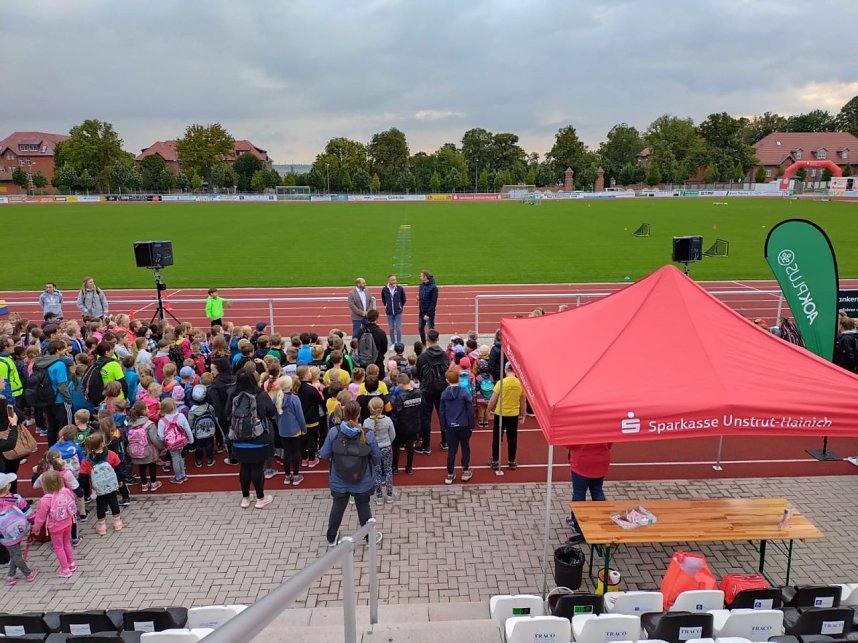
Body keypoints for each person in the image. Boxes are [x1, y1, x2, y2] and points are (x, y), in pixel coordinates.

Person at [319, 400, 382, 547]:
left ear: (344, 413)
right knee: (363, 507)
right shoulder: (367, 434)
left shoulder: (334, 432)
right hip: (363, 480)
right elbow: (377, 457)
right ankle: (369, 538)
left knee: (337, 507)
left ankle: (331, 537)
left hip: (338, 479)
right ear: (359, 414)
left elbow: (323, 454)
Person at [226, 368, 276, 508]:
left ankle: (245, 498)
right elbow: (272, 412)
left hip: (238, 438)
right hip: (258, 436)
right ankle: (261, 498)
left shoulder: (232, 394)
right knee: (257, 468)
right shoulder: (261, 395)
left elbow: (226, 413)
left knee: (244, 468)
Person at [31, 469, 77, 578]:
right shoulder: (66, 491)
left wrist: (36, 529)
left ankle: (65, 569)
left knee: (58, 547)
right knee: (66, 543)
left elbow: (40, 518)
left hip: (55, 527)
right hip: (68, 522)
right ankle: (72, 564)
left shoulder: (45, 500)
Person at [566, 442, 612, 542]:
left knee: (579, 493)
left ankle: (577, 525)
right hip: (601, 460)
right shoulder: (604, 426)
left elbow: (568, 444)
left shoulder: (579, 426)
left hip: (582, 462)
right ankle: (601, 521)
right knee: (597, 491)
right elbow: (609, 443)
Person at [78, 432, 123, 535]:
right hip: (111, 485)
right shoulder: (111, 455)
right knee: (113, 501)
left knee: (100, 504)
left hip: (97, 488)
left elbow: (83, 477)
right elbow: (118, 468)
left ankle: (102, 526)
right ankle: (117, 522)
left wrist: (87, 491)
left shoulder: (86, 461)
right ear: (103, 443)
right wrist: (120, 479)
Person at [415, 329, 450, 454]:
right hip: (442, 388)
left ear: (427, 339)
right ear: (438, 339)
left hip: (427, 389)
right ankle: (445, 442)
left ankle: (426, 446)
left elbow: (419, 374)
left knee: (426, 417)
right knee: (443, 415)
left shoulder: (422, 357)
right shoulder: (445, 354)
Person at [0, 471, 37, 585]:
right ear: (8, 487)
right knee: (16, 555)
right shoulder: (15, 498)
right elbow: (28, 511)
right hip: (19, 530)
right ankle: (28, 573)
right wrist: (34, 522)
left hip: (4, 535)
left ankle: (11, 575)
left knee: (14, 553)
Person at [487, 362, 526, 471]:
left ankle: (495, 461)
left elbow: (493, 399)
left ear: (505, 370)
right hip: (513, 415)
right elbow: (523, 401)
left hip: (500, 414)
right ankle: (512, 461)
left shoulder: (501, 383)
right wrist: (523, 414)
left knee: (497, 438)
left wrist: (488, 411)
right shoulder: (520, 383)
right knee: (512, 438)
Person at [439, 367, 474, 484]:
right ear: (459, 379)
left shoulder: (444, 394)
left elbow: (442, 412)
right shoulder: (464, 393)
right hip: (464, 425)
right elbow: (469, 410)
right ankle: (465, 471)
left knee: (452, 450)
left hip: (450, 426)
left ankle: (450, 474)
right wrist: (471, 425)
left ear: (447, 380)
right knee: (465, 447)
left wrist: (444, 426)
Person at [34, 340, 73, 446]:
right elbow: (62, 385)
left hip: (46, 398)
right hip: (60, 399)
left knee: (52, 426)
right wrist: (68, 400)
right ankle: (66, 448)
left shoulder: (39, 362)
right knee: (66, 426)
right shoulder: (59, 364)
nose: (65, 350)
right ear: (58, 350)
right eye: (64, 348)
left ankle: (52, 448)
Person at [274, 375, 306, 486]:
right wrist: (303, 428)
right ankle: (296, 476)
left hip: (283, 430)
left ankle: (287, 476)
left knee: (286, 453)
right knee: (296, 452)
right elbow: (300, 416)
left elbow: (276, 416)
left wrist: (279, 427)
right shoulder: (294, 399)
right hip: (294, 429)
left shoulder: (276, 397)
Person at [364, 396, 395, 505]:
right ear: (382, 408)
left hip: (374, 449)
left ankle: (379, 497)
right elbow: (392, 435)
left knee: (376, 473)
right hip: (386, 447)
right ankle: (390, 495)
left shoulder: (366, 422)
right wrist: (387, 442)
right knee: (388, 471)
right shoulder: (387, 420)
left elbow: (365, 438)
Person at [127, 401, 163, 492]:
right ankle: (154, 483)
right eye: (147, 408)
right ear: (143, 411)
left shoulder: (131, 423)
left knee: (142, 467)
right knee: (152, 466)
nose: (148, 409)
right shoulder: (149, 424)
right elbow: (154, 439)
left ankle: (144, 484)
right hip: (149, 449)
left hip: (137, 449)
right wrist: (161, 446)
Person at [157, 398, 193, 485]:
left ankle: (178, 477)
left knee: (175, 459)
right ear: (174, 406)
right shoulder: (181, 416)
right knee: (180, 457)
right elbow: (187, 429)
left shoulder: (162, 421)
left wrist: (166, 442)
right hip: (182, 441)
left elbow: (161, 436)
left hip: (172, 444)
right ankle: (183, 475)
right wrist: (191, 439)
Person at [391, 373, 421, 474]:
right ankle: (409, 468)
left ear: (400, 384)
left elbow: (397, 411)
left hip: (402, 426)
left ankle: (395, 467)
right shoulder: (418, 393)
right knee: (410, 446)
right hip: (415, 424)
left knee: (396, 445)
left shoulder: (400, 396)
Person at [381, 274, 406, 345]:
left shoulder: (400, 289)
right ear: (389, 281)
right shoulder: (384, 290)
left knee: (398, 328)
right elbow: (384, 299)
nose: (394, 281)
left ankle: (399, 342)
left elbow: (403, 299)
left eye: (395, 279)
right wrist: (387, 306)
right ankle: (393, 343)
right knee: (391, 329)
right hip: (389, 313)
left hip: (398, 312)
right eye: (392, 280)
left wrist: (399, 306)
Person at [417, 271, 438, 344]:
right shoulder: (421, 286)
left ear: (425, 277)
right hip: (422, 312)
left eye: (421, 276)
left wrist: (428, 314)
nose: (420, 277)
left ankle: (433, 343)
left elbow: (433, 302)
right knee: (420, 328)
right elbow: (421, 295)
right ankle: (424, 343)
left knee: (431, 330)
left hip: (429, 313)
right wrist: (419, 298)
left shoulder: (434, 287)